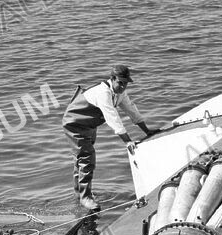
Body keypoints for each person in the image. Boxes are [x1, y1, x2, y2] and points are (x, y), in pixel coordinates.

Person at [61, 64, 158, 212]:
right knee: (86, 159)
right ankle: (85, 197)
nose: (123, 86)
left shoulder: (120, 93)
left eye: (126, 83)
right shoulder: (103, 93)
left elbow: (131, 110)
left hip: (89, 124)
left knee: (80, 159)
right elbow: (113, 118)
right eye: (120, 82)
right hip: (74, 124)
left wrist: (147, 131)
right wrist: (127, 141)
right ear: (112, 79)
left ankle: (79, 194)